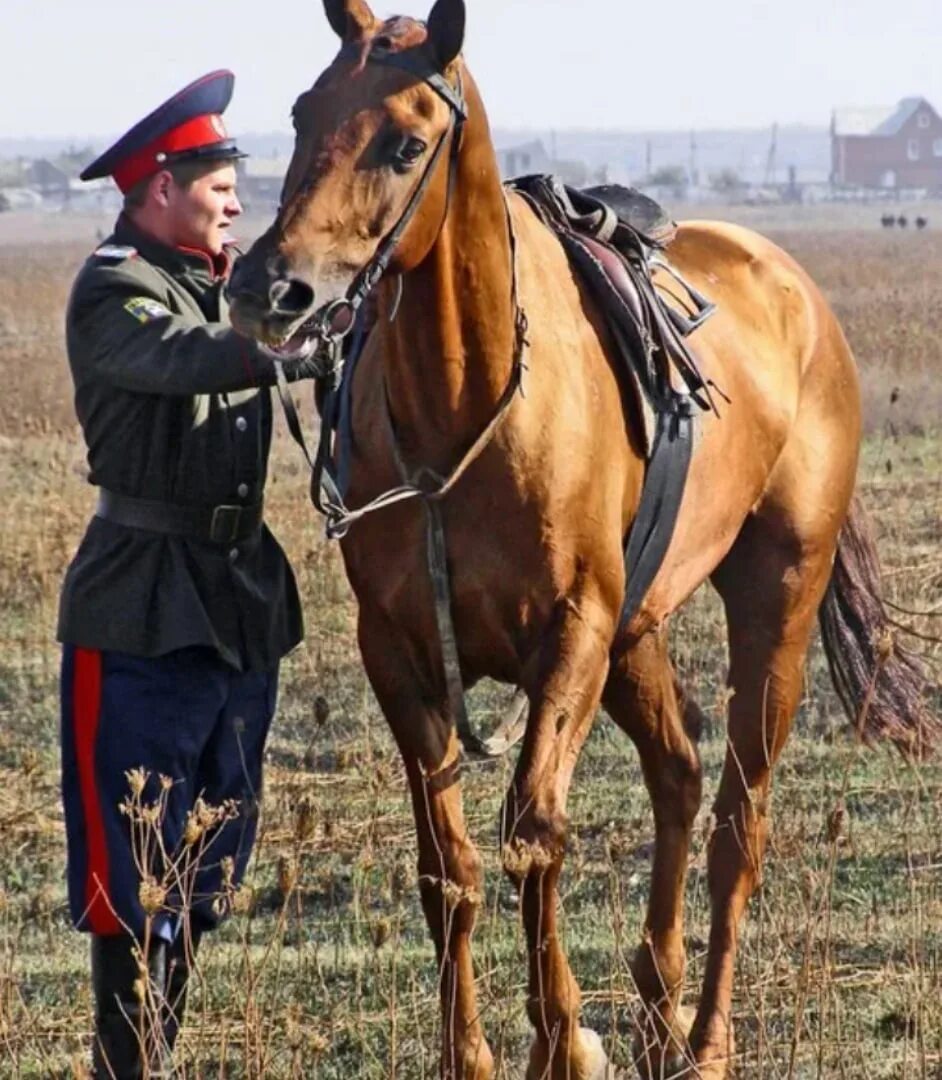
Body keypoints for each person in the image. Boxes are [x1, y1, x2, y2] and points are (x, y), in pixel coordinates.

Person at [60, 70, 306, 1078]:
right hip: (140, 614)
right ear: (158, 185)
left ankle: (159, 1050)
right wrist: (298, 341)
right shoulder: (113, 284)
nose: (235, 199)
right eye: (215, 181)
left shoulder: (223, 278)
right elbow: (196, 359)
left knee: (204, 874)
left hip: (239, 610)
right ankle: (128, 1063)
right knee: (132, 879)